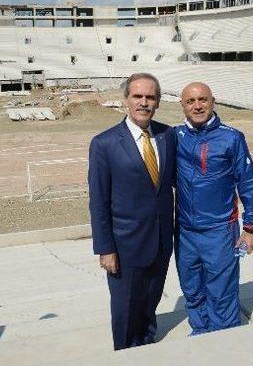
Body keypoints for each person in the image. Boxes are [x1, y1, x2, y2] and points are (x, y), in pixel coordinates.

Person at [88, 73, 176, 350]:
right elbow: (99, 201)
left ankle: (147, 347)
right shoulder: (104, 143)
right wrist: (106, 249)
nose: (144, 102)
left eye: (150, 97)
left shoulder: (168, 135)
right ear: (126, 99)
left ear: (158, 102)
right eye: (137, 96)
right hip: (125, 246)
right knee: (126, 312)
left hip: (161, 241)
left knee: (150, 305)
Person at [175, 82, 253, 335]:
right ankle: (201, 334)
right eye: (190, 101)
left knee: (221, 291)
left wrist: (250, 227)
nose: (197, 105)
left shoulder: (231, 137)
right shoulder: (175, 137)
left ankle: (224, 342)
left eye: (202, 99)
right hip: (185, 232)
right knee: (192, 289)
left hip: (220, 231)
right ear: (182, 106)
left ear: (213, 101)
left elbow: (248, 182)